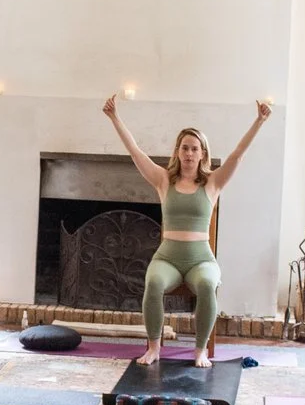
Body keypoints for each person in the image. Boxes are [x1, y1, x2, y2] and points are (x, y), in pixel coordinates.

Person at [100, 95, 273, 369]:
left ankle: (200, 351)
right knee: (154, 282)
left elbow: (238, 153)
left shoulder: (214, 182)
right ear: (177, 152)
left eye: (194, 148)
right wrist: (114, 117)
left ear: (202, 153)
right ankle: (154, 347)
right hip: (167, 257)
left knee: (207, 284)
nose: (189, 153)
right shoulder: (162, 180)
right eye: (184, 148)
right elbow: (135, 151)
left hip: (200, 259)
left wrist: (259, 121)